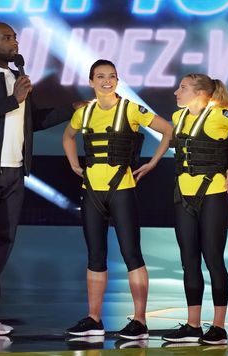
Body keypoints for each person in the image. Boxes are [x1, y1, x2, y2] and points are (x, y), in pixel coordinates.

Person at [0, 22, 80, 339]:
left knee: (1, 244)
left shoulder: (15, 79)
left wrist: (72, 109)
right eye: (7, 38)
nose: (15, 42)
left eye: (15, 37)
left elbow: (32, 122)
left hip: (13, 171)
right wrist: (14, 97)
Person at [62, 59, 173, 340]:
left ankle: (139, 321)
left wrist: (152, 163)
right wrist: (75, 165)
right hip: (92, 192)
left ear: (117, 79)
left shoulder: (131, 109)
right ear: (91, 81)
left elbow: (168, 130)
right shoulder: (84, 113)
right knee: (95, 256)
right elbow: (68, 137)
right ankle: (94, 319)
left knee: (131, 254)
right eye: (100, 76)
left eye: (111, 76)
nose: (106, 81)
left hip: (121, 190)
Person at [161, 74, 228, 345]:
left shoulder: (221, 115)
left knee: (213, 259)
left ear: (200, 93)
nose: (176, 92)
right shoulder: (178, 118)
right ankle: (192, 325)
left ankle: (218, 328)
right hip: (183, 196)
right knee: (189, 261)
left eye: (182, 88)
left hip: (213, 195)